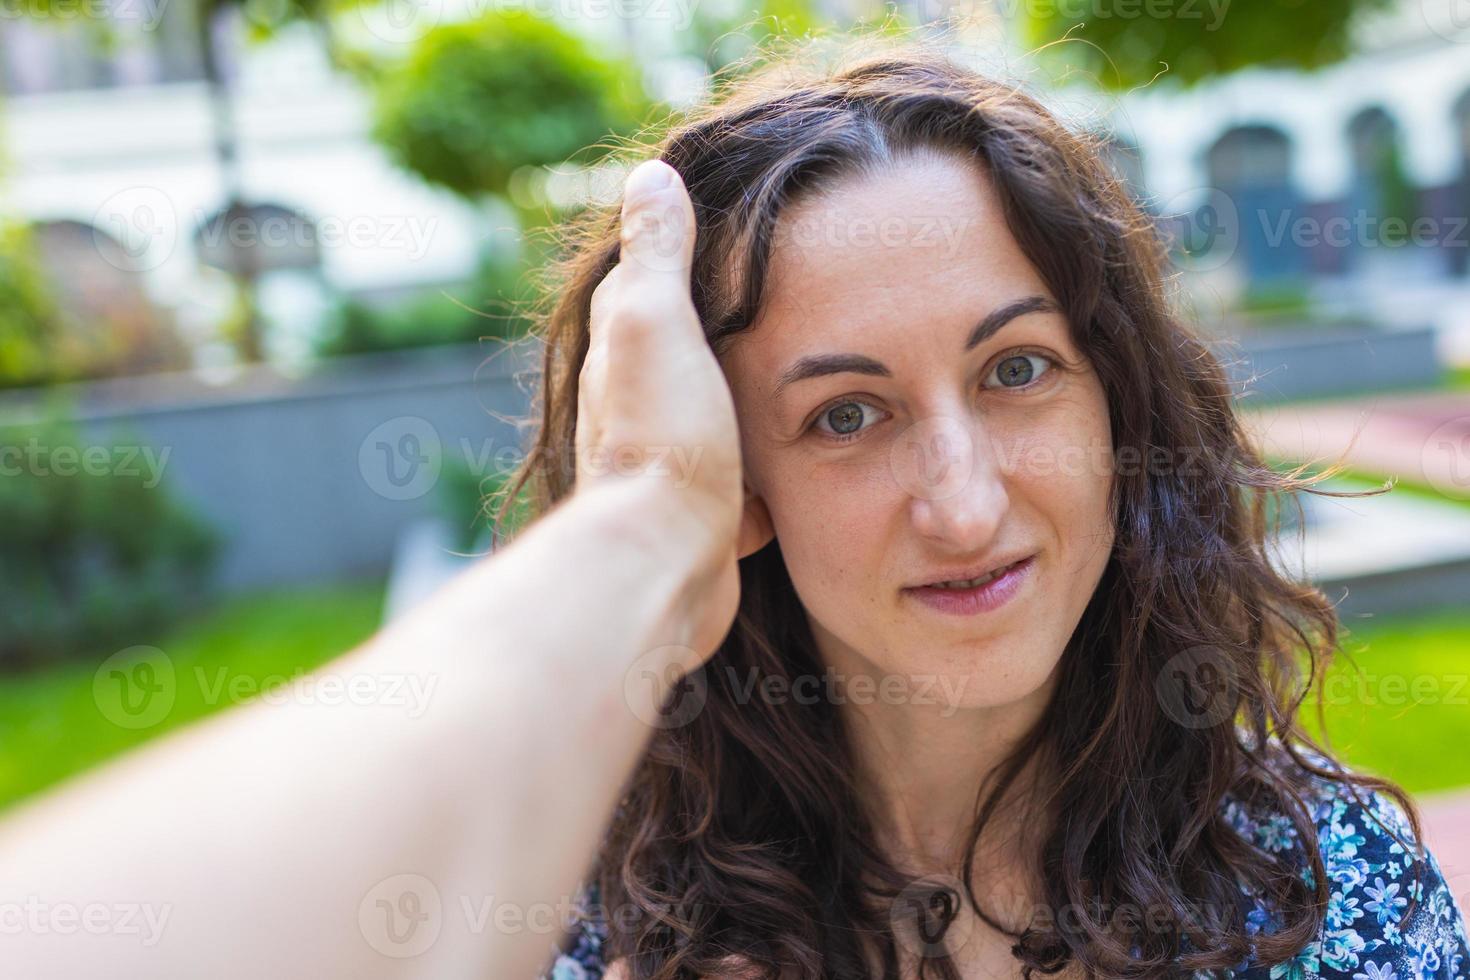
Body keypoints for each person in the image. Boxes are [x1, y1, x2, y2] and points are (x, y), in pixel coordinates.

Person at [0, 33, 1464, 980]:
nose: (962, 504)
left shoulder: (1326, 894)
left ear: (1116, 402)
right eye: (843, 414)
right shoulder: (579, 926)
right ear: (739, 479)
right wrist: (641, 529)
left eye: (1017, 370)